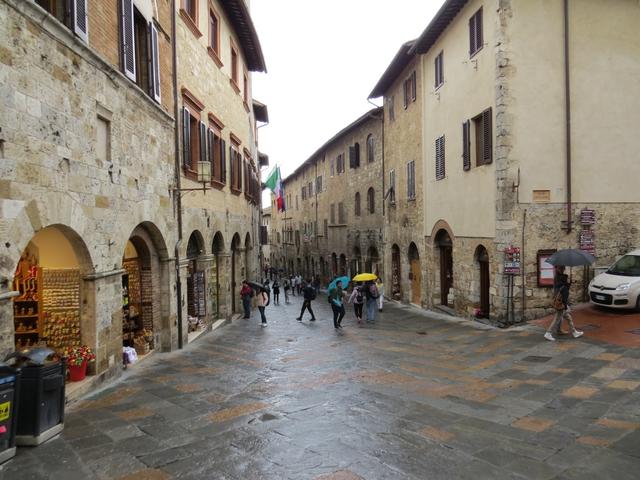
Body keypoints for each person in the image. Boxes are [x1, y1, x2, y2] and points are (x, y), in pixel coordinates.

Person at [544, 273, 583, 341]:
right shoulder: (564, 288)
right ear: (565, 280)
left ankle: (574, 332)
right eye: (567, 279)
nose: (567, 280)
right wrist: (566, 307)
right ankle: (548, 333)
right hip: (561, 307)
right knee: (556, 320)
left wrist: (569, 285)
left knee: (569, 318)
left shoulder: (560, 285)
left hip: (560, 306)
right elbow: (564, 299)